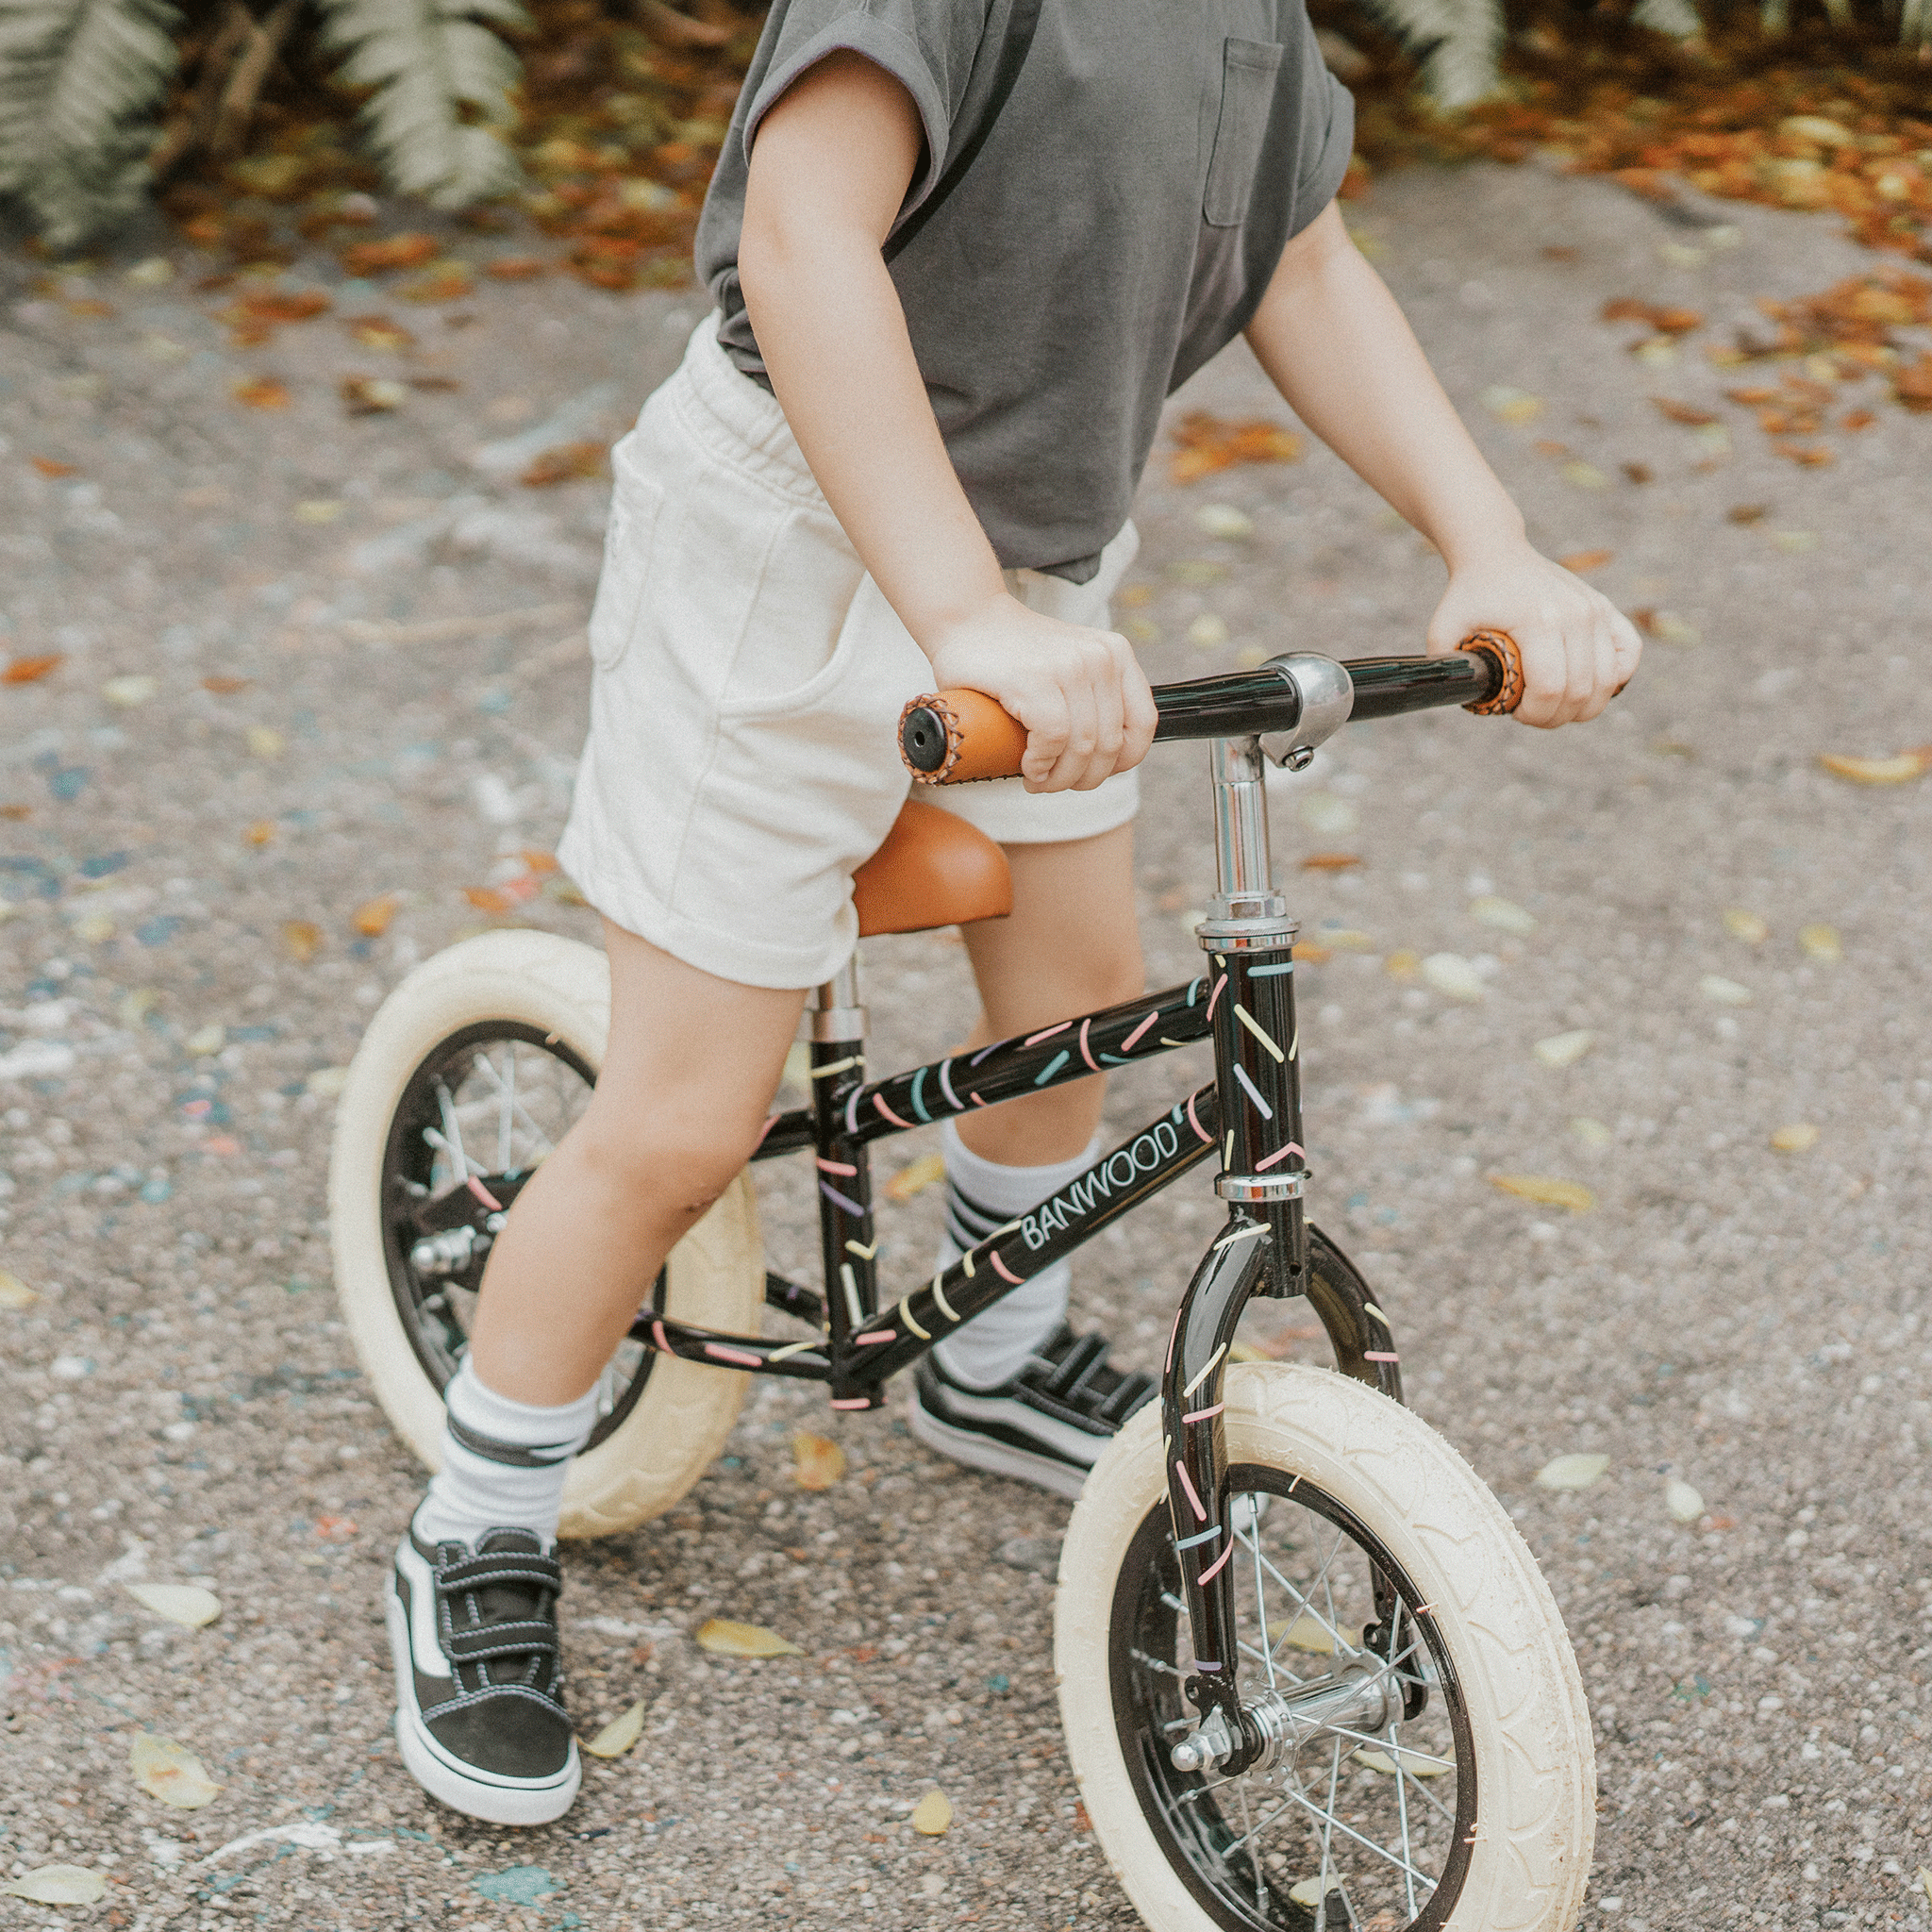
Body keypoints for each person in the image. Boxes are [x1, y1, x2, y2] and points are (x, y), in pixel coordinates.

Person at [382, 0, 1642, 1824]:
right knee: (682, 1122)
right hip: (787, 550)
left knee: (1077, 1008)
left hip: (1033, 584)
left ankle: (986, 1355)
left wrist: (1488, 540)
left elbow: (1302, 259)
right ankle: (479, 1518)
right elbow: (805, 238)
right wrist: (957, 610)